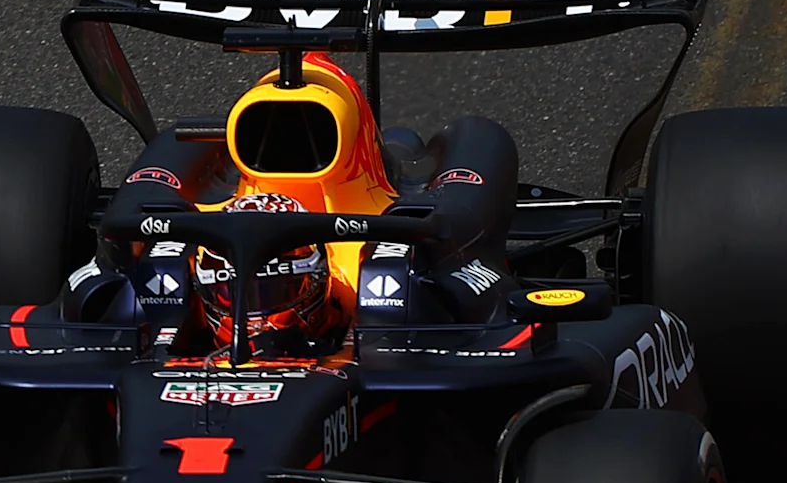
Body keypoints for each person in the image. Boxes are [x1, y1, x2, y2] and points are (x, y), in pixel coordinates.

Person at [97, 52, 522, 355]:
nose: (253, 316)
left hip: (373, 213)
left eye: (274, 290)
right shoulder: (183, 268)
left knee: (475, 139)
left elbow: (504, 312)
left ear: (315, 278)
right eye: (231, 292)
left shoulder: (372, 279)